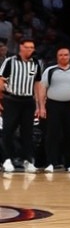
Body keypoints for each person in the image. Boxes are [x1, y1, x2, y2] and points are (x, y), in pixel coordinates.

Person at [39, 46, 70, 172]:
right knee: (52, 134)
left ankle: (69, 164)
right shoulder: (50, 70)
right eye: (60, 55)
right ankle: (50, 163)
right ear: (57, 57)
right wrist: (41, 106)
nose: (63, 57)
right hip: (53, 105)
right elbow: (42, 88)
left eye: (65, 55)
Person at [0, 38, 44, 173]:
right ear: (21, 47)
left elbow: (37, 84)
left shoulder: (36, 63)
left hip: (28, 101)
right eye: (27, 47)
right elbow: (1, 81)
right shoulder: (10, 61)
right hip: (12, 100)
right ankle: (6, 159)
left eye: (32, 47)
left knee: (27, 132)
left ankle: (28, 160)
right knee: (8, 131)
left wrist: (40, 105)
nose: (30, 50)